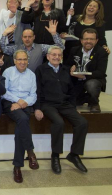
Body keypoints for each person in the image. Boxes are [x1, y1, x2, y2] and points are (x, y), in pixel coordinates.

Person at [35, 46, 89, 175]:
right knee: (59, 123)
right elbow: (36, 90)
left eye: (59, 55)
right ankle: (55, 156)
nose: (56, 57)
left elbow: (72, 91)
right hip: (47, 104)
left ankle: (74, 155)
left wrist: (73, 107)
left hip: (65, 104)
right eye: (53, 54)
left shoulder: (66, 70)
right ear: (48, 56)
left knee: (82, 123)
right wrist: (37, 108)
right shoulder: (41, 69)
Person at [2, 50, 40, 183]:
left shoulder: (32, 75)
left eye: (25, 59)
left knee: (21, 127)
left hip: (25, 104)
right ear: (14, 61)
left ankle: (17, 167)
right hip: (10, 103)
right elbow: (4, 92)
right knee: (23, 119)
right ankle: (30, 151)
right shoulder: (8, 72)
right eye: (19, 59)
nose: (22, 62)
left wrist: (24, 103)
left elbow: (33, 94)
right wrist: (18, 101)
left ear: (28, 61)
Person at [66, 28, 108, 113]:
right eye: (86, 39)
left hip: (92, 79)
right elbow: (66, 66)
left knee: (91, 85)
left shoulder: (102, 52)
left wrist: (84, 76)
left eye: (92, 39)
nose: (88, 41)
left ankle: (94, 103)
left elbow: (100, 72)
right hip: (76, 80)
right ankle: (85, 98)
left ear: (96, 41)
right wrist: (71, 68)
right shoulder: (74, 50)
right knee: (75, 101)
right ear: (81, 40)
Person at [0, 21, 64, 72]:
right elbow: (2, 49)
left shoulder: (41, 48)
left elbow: (60, 48)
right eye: (25, 37)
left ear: (34, 37)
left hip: (37, 79)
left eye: (29, 37)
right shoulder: (16, 48)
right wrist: (4, 34)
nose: (27, 39)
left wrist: (54, 34)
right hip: (19, 78)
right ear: (22, 38)